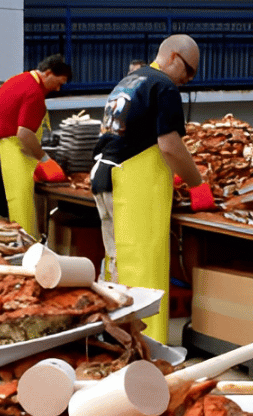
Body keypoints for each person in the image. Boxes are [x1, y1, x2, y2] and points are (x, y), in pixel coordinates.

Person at [90, 34, 216, 344]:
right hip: (134, 187)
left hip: (106, 178)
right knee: (143, 272)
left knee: (117, 266)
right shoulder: (163, 85)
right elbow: (170, 146)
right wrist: (196, 183)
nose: (188, 80)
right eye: (188, 70)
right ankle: (146, 350)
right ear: (173, 56)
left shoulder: (130, 81)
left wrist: (169, 173)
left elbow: (128, 135)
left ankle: (115, 344)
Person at [0, 54, 72, 232]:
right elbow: (24, 134)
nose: (59, 89)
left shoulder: (18, 80)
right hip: (10, 152)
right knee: (19, 207)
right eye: (58, 82)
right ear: (48, 73)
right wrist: (44, 159)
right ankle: (25, 251)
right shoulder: (34, 92)